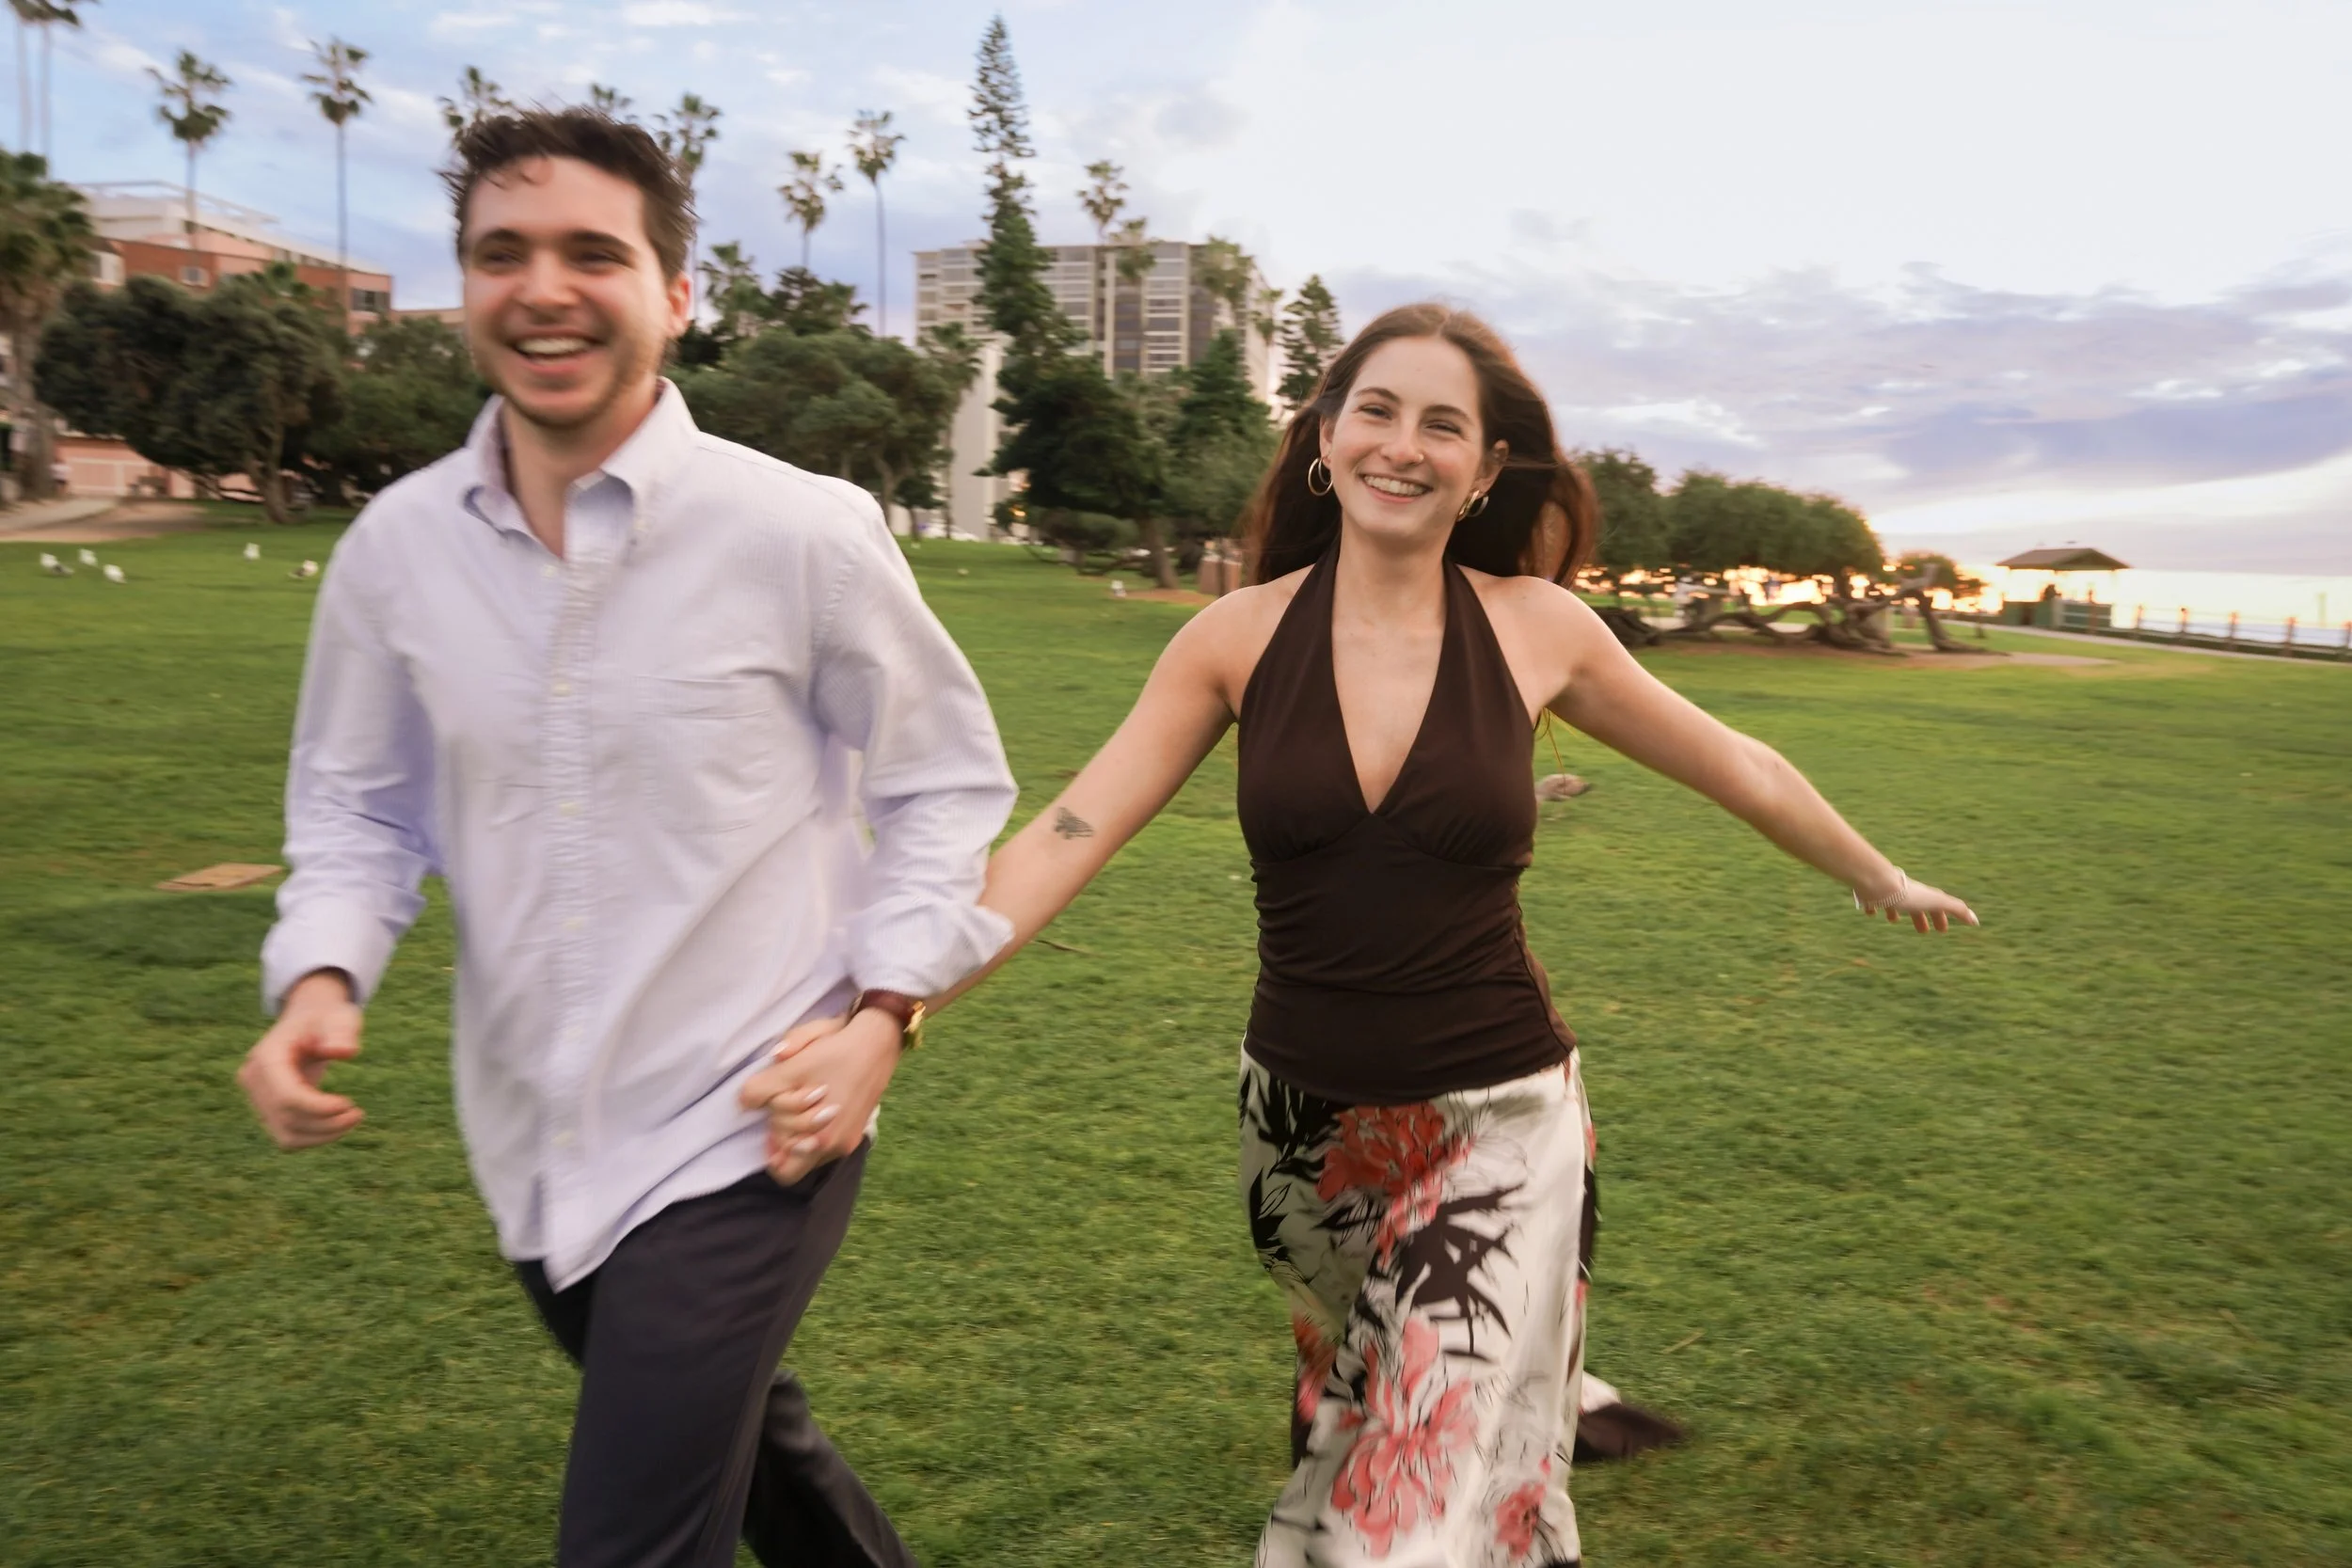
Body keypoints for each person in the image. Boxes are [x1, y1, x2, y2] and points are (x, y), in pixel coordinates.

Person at [754, 303, 1975, 1566]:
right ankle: (1538, 1416)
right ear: (1325, 441)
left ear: (1486, 470)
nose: (1405, 444)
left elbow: (1738, 762)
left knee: (1395, 1517)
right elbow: (1071, 828)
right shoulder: (1233, 639)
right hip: (1302, 1134)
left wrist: (1873, 871)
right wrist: (896, 1004)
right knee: (1374, 1420)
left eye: (1444, 424)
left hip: (1500, 1110)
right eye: (1376, 411)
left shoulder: (1536, 627)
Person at [235, 108, 1015, 1568]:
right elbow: (355, 805)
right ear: (464, 287)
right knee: (746, 1441)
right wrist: (321, 979)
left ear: (673, 292)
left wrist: (885, 1013)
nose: (543, 288)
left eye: (594, 252)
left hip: (754, 1120)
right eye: (501, 254)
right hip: (533, 1136)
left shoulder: (801, 532)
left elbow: (945, 786)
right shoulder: (394, 552)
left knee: (633, 1536)